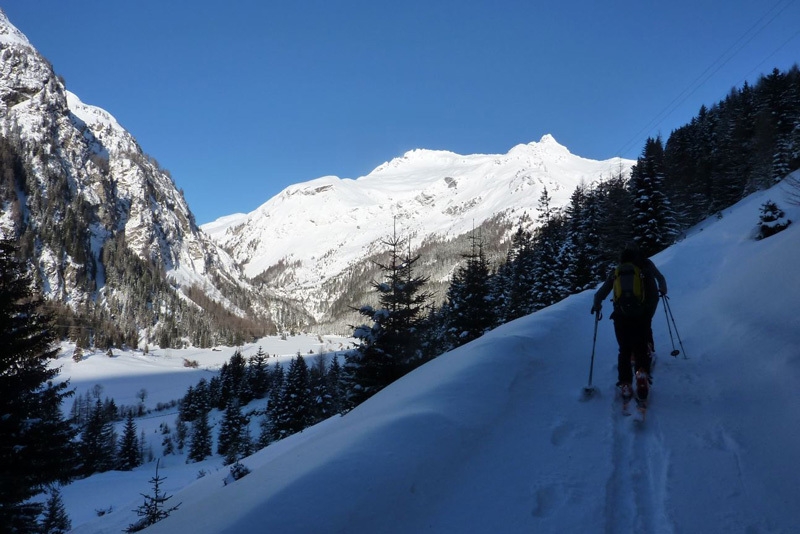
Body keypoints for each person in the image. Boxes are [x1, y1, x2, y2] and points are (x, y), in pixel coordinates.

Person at [591, 246, 667, 405]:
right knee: (640, 348)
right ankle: (641, 374)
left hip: (620, 316)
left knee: (624, 350)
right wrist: (659, 295)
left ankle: (625, 383)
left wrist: (597, 305)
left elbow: (600, 294)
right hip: (641, 316)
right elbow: (653, 292)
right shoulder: (643, 269)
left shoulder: (617, 272)